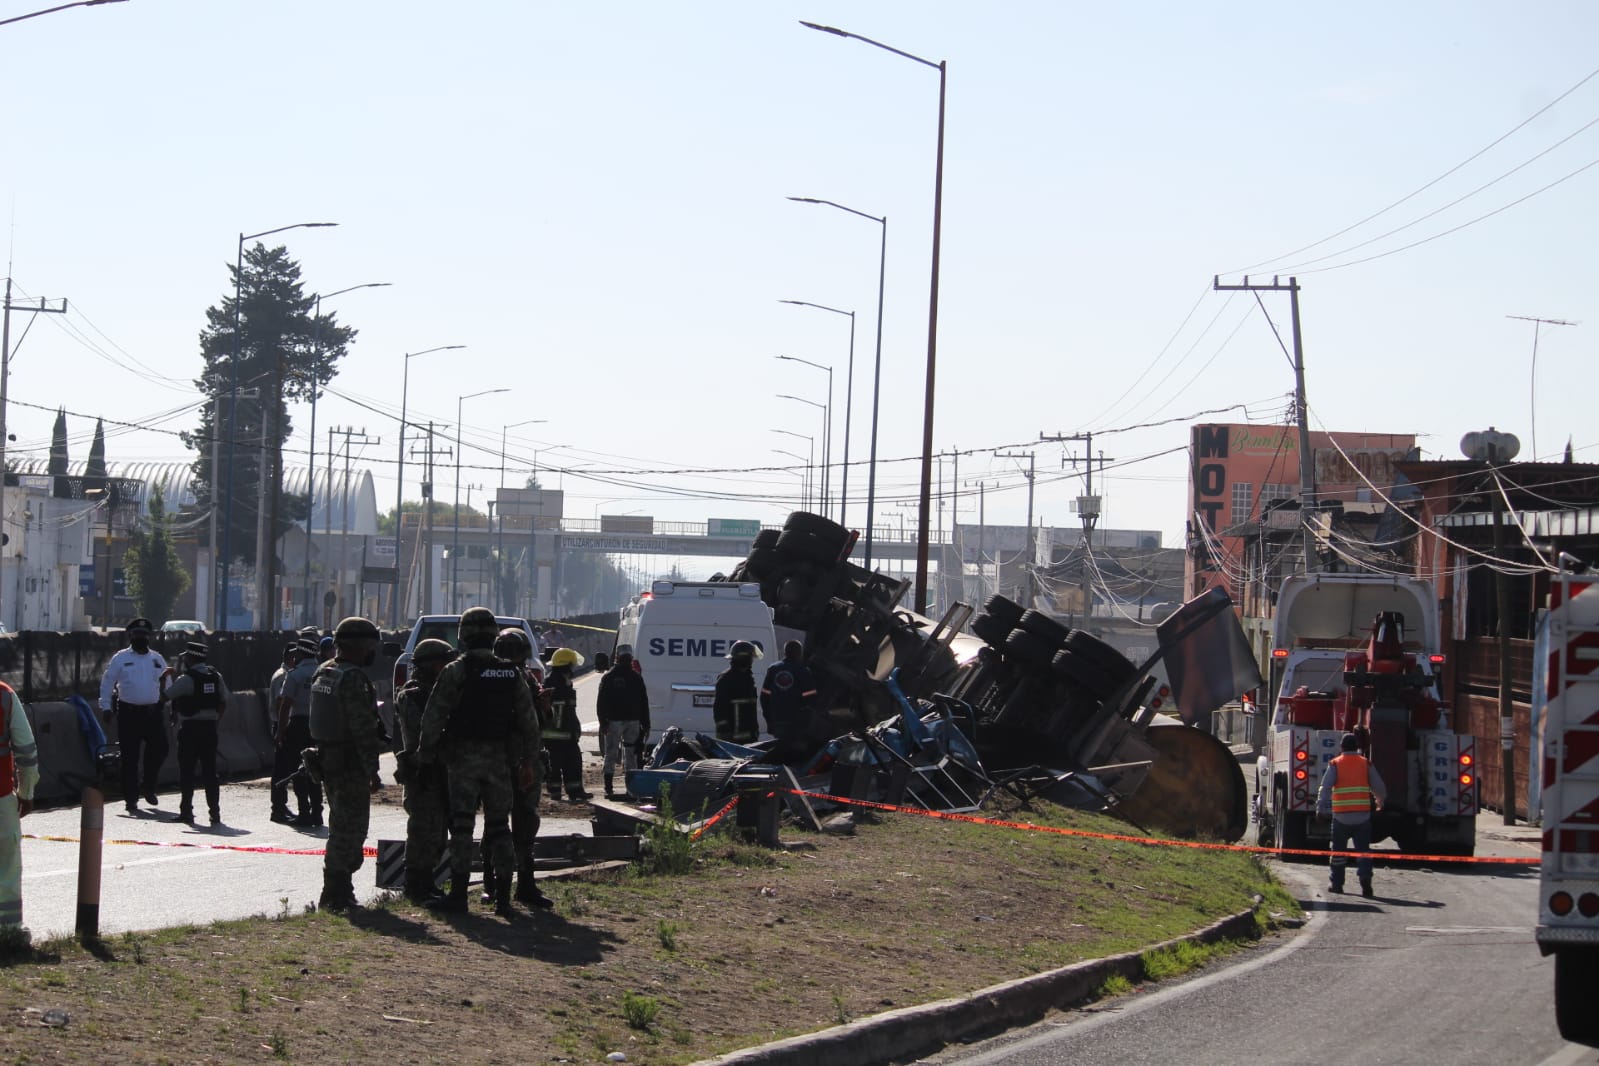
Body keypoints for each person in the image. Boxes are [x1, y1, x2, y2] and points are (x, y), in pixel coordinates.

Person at [416, 607, 540, 916]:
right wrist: (528, 763)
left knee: (461, 827)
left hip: (462, 760)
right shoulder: (511, 673)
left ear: (464, 635)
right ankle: (503, 898)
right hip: (500, 761)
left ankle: (458, 895)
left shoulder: (456, 671)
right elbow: (530, 724)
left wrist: (425, 756)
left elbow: (433, 718)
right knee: (499, 828)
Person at [308, 616, 385, 912]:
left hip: (328, 757)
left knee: (339, 823)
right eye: (369, 646)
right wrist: (372, 769)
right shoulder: (353, 677)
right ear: (360, 646)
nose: (371, 652)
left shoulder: (324, 672)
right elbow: (362, 728)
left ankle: (338, 890)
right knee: (351, 829)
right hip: (349, 762)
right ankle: (337, 892)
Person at [481, 628, 553, 910]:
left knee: (494, 824)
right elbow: (537, 723)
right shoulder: (523, 678)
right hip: (522, 759)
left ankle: (492, 886)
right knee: (524, 824)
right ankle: (523, 884)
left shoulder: (481, 677)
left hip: (493, 761)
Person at [393, 637, 454, 904]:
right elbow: (424, 731)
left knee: (438, 833)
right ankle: (416, 885)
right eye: (441, 663)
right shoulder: (412, 695)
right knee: (422, 833)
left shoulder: (441, 691)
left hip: (441, 770)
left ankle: (427, 883)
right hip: (421, 771)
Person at [98, 617, 169, 815]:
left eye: (144, 635)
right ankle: (131, 799)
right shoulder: (120, 658)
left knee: (161, 749)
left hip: (153, 713)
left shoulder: (157, 659)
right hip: (129, 714)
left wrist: (170, 704)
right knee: (130, 758)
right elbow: (107, 683)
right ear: (131, 636)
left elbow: (167, 683)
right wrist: (105, 707)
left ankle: (148, 784)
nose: (141, 637)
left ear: (149, 637)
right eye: (138, 634)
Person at [1317, 732, 1389, 898]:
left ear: (1341, 747)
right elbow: (1380, 787)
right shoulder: (1365, 764)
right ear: (1357, 747)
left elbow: (1325, 787)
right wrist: (1380, 802)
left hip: (1341, 817)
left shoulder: (1335, 764)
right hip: (1362, 818)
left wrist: (1320, 809)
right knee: (1363, 852)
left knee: (1338, 853)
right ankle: (1365, 881)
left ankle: (1336, 884)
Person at [165, 642, 229, 826]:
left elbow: (166, 697)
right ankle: (214, 814)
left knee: (187, 771)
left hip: (190, 729)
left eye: (186, 657)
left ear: (191, 658)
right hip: (209, 729)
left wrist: (163, 679)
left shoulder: (186, 679)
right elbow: (223, 701)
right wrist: (215, 721)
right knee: (210, 772)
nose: (184, 660)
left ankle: (186, 812)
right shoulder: (216, 676)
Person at [0, 679, 39, 929]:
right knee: (6, 868)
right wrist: (26, 792)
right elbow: (26, 751)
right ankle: (8, 932)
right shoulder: (4, 695)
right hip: (1, 797)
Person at [273, 638, 325, 827]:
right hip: (318, 726)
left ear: (300, 654)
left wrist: (280, 731)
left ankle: (304, 812)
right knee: (316, 770)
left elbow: (285, 705)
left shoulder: (294, 675)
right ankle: (318, 813)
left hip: (298, 725)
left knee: (299, 770)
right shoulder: (323, 673)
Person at [596, 645, 650, 799]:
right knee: (630, 754)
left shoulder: (609, 677)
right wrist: (646, 724)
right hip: (630, 721)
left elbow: (601, 702)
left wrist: (603, 722)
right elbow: (644, 702)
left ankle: (609, 787)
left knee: (612, 753)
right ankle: (630, 788)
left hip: (615, 722)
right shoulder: (636, 677)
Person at [541, 648, 589, 802]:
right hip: (558, 735)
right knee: (559, 764)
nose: (573, 669)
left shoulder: (561, 682)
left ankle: (573, 791)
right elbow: (562, 714)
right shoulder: (556, 685)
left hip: (564, 734)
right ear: (565, 666)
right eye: (571, 666)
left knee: (571, 763)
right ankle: (561, 792)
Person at [760, 640, 819, 764]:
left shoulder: (773, 669)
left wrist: (769, 719)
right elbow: (811, 700)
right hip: (795, 722)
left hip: (778, 719)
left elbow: (764, 697)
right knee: (794, 752)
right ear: (799, 653)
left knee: (781, 748)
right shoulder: (803, 671)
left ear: (785, 652)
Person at [713, 640, 762, 744]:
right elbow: (719, 708)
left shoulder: (748, 678)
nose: (752, 661)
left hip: (749, 736)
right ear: (744, 658)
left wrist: (754, 730)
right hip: (731, 737)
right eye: (750, 658)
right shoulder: (726, 678)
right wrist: (724, 732)